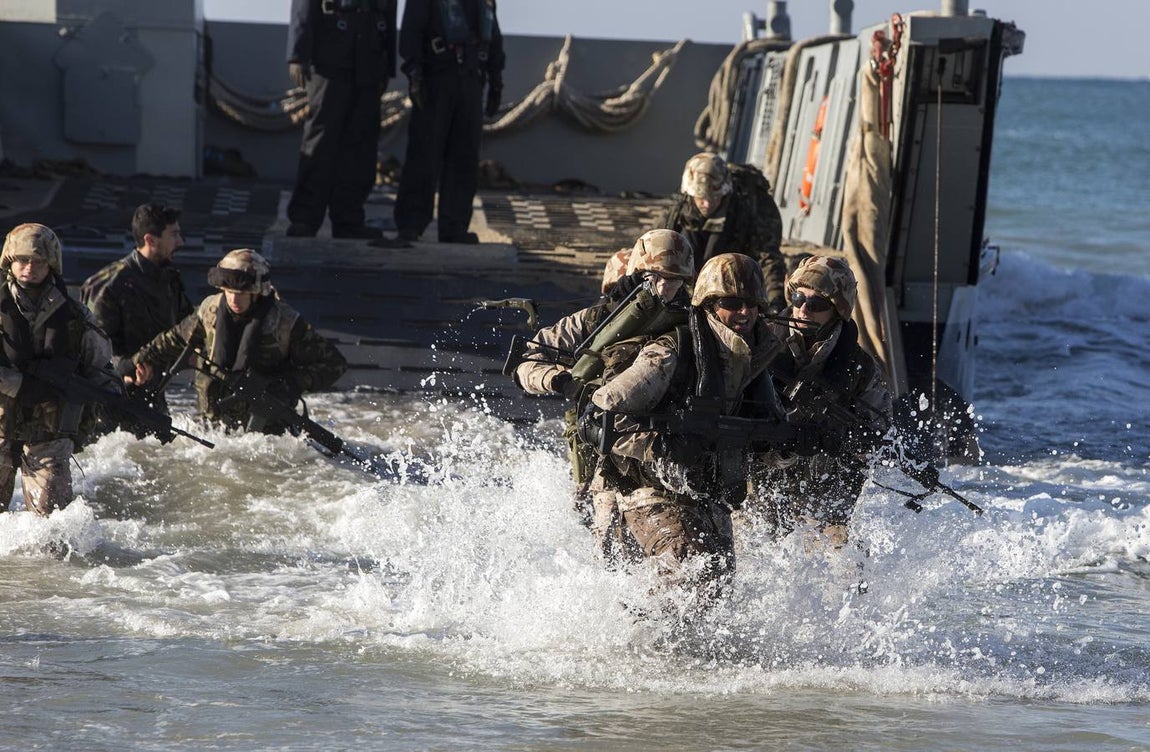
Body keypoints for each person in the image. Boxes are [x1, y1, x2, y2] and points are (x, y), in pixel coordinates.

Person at [583, 253, 794, 604]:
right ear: (708, 304)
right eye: (732, 303)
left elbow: (770, 443)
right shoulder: (670, 354)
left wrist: (790, 446)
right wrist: (660, 446)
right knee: (686, 570)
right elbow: (600, 415)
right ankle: (633, 642)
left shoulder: (756, 359)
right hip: (649, 491)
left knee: (715, 598)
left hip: (708, 498)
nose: (745, 313)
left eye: (752, 304)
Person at [513, 229, 695, 562]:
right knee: (612, 560)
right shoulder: (596, 321)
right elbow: (526, 365)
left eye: (675, 279)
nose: (666, 288)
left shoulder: (693, 326)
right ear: (638, 274)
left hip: (668, 461)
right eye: (655, 277)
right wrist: (561, 382)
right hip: (605, 462)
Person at [753, 254, 893, 547]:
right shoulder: (761, 346)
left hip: (828, 501)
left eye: (816, 305)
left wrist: (832, 437)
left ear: (837, 310)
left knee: (848, 578)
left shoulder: (860, 368)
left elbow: (880, 433)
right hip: (763, 491)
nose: (803, 309)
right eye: (797, 298)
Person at [132, 250, 348, 434]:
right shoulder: (210, 311)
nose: (234, 300)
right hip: (214, 429)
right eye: (229, 291)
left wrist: (289, 384)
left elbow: (333, 364)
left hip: (270, 435)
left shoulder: (285, 323)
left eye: (242, 293)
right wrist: (139, 362)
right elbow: (175, 339)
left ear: (257, 292)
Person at [0, 224, 119, 516]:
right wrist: (19, 385)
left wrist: (116, 400)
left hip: (49, 435)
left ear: (51, 264)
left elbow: (100, 366)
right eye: (22, 260)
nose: (29, 267)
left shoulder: (75, 316)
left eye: (39, 261)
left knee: (51, 534)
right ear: (9, 261)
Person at [393, 0, 505, 244]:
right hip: (436, 80)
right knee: (424, 154)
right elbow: (411, 31)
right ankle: (411, 222)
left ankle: (453, 226)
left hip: (472, 82)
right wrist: (414, 75)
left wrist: (496, 80)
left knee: (464, 157)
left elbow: (493, 34)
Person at [285, 0, 398, 240]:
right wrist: (297, 54)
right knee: (321, 140)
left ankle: (349, 219)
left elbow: (389, 9)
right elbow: (303, 6)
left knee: (362, 145)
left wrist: (388, 65)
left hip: (370, 58)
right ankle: (305, 217)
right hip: (330, 56)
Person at [81, 203, 193, 415]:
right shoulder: (109, 285)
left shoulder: (169, 279)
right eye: (174, 234)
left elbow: (184, 328)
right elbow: (91, 348)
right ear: (150, 239)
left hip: (153, 396)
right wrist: (126, 369)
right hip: (108, 401)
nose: (180, 242)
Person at [659, 152, 788, 312]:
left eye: (713, 197)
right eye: (701, 197)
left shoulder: (748, 209)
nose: (706, 203)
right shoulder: (678, 213)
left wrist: (775, 303)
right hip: (687, 290)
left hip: (734, 287)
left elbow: (768, 257)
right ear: (690, 194)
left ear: (724, 191)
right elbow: (655, 253)